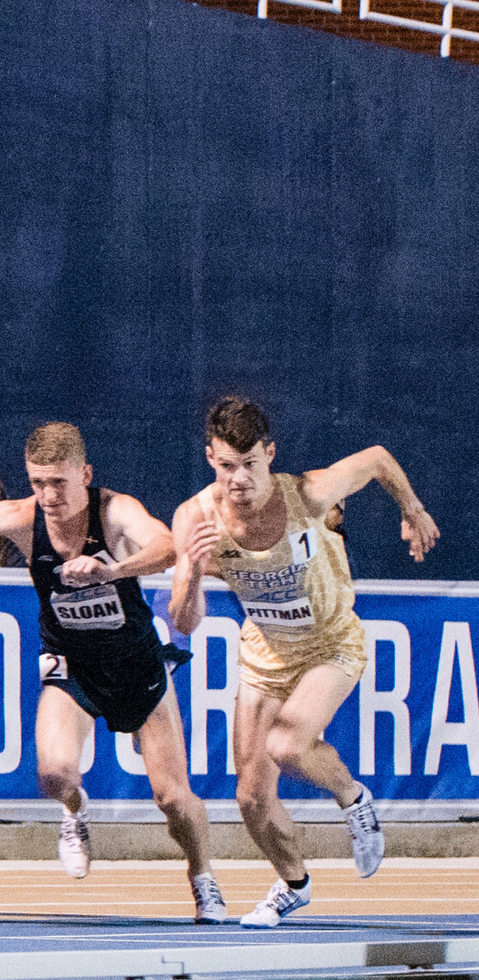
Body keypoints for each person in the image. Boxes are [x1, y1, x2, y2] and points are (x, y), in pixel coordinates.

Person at [0, 422, 223, 922]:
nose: (47, 496)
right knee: (53, 772)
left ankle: (203, 879)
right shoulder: (24, 518)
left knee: (172, 797)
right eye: (37, 482)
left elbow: (167, 546)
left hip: (134, 664)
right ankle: (74, 811)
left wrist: (110, 570)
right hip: (73, 663)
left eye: (59, 483)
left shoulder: (115, 511)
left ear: (84, 474)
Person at [168, 396, 438, 928]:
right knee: (250, 797)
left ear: (270, 454)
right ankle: (294, 884)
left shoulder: (309, 495)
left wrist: (413, 509)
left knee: (288, 743)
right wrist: (194, 571)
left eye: (249, 465)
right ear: (210, 459)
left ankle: (353, 798)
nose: (239, 480)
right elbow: (183, 622)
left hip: (331, 645)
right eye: (227, 467)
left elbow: (379, 458)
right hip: (265, 658)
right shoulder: (194, 518)